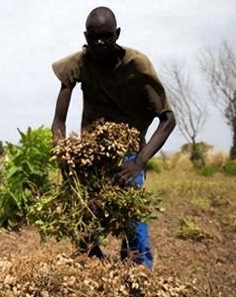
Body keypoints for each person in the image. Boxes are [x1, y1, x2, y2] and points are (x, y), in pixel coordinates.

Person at [51, 7, 176, 269]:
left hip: (129, 153)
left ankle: (139, 276)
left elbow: (167, 119)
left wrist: (139, 162)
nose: (99, 44)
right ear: (85, 36)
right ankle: (90, 268)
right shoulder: (79, 63)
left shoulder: (137, 65)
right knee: (86, 219)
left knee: (132, 221)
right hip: (91, 153)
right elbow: (59, 121)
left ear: (116, 34)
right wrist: (64, 154)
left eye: (106, 37)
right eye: (93, 37)